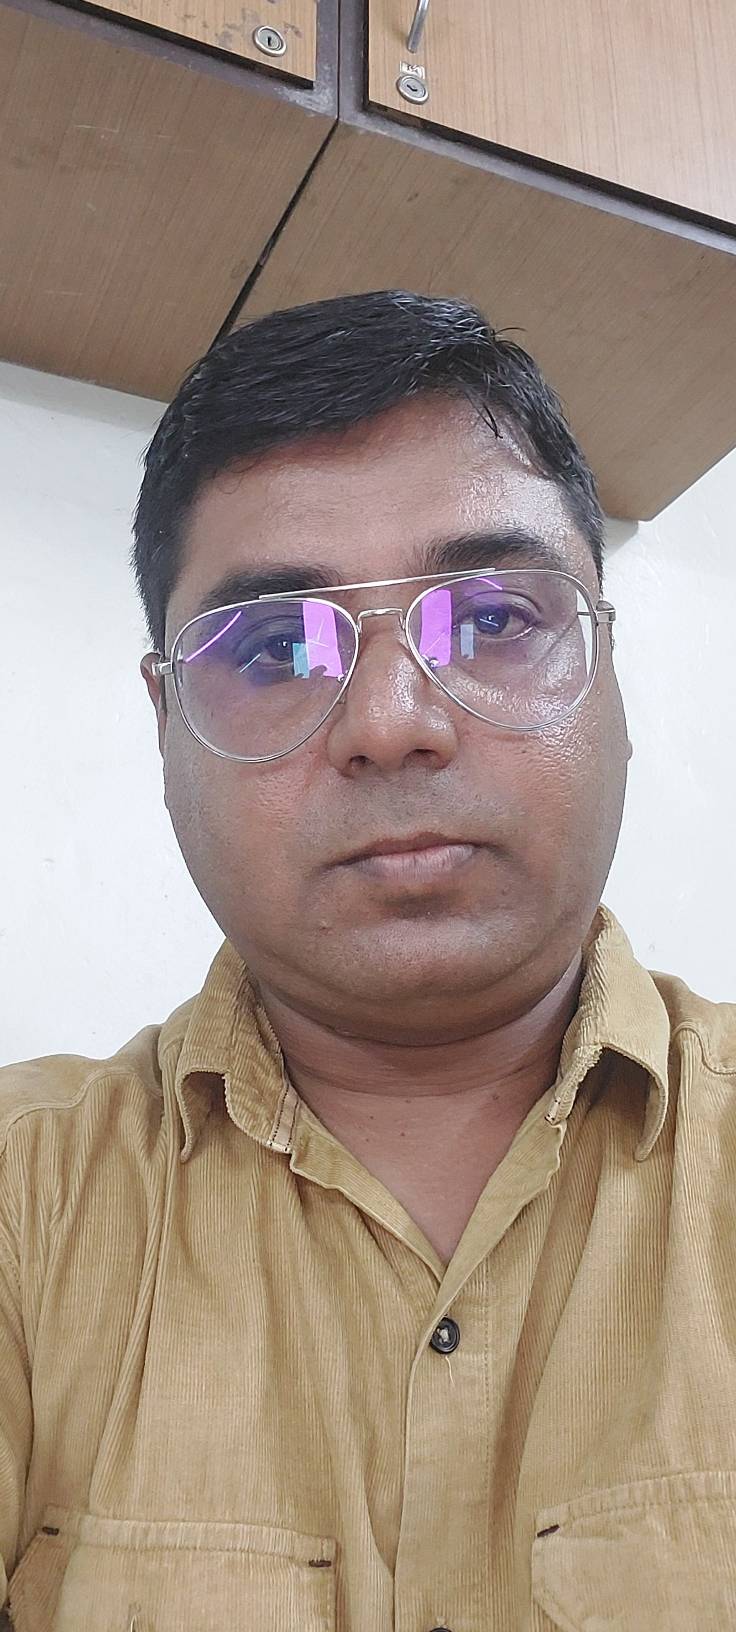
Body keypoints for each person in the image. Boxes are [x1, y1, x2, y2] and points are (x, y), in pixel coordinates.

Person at [1, 290, 734, 1632]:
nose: (391, 724)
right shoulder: (20, 1205)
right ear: (165, 724)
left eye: (493, 619)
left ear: (609, 669)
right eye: (277, 646)